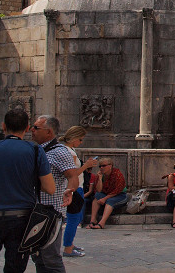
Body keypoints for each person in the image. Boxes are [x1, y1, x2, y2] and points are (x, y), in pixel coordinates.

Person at [0, 109, 55, 273]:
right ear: (28, 128)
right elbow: (50, 188)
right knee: (15, 267)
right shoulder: (35, 151)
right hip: (21, 218)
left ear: (3, 126)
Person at [31, 114, 79, 272]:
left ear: (49, 132)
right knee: (38, 257)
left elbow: (73, 176)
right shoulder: (36, 150)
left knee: (51, 258)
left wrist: (70, 191)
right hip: (35, 211)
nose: (32, 130)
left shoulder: (59, 152)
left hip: (50, 213)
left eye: (36, 128)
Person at [60, 125, 97, 258]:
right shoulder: (69, 152)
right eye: (80, 139)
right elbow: (73, 173)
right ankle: (68, 248)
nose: (81, 142)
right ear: (74, 138)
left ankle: (70, 244)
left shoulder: (69, 150)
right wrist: (86, 165)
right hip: (74, 189)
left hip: (76, 187)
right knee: (73, 219)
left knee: (75, 218)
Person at [87, 157, 128, 229]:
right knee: (97, 196)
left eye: (104, 166)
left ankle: (102, 222)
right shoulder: (101, 175)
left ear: (110, 166)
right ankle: (93, 220)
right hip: (106, 194)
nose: (101, 168)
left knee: (110, 201)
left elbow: (117, 190)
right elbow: (99, 190)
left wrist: (105, 198)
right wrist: (99, 179)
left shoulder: (117, 174)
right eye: (100, 166)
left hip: (119, 195)